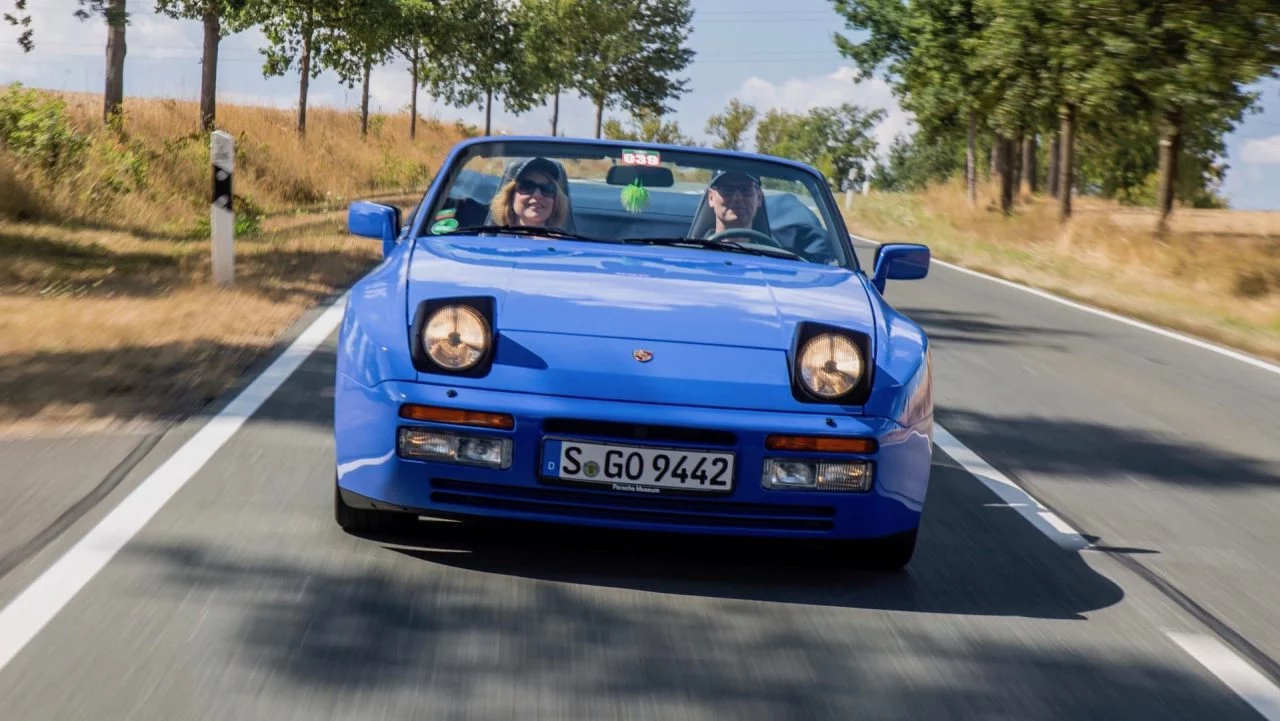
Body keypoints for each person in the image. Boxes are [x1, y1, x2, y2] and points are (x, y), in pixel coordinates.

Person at [487, 157, 570, 229]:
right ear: (511, 196)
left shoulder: (565, 246)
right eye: (527, 186)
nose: (537, 195)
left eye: (546, 188)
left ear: (556, 201)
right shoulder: (493, 244)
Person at [703, 169, 764, 237]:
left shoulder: (771, 248)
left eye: (746, 189)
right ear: (711, 197)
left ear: (759, 198)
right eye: (727, 189)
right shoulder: (694, 247)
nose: (737, 197)